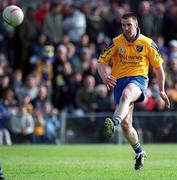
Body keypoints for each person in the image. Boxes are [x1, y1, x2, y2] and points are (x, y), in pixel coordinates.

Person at [97, 12, 170, 170]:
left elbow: (158, 69)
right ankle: (139, 152)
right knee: (126, 124)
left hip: (138, 80)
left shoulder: (147, 43)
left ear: (136, 25)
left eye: (129, 24)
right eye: (123, 25)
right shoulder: (116, 42)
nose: (126, 28)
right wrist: (104, 77)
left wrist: (162, 90)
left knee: (127, 95)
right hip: (119, 82)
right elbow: (101, 61)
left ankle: (114, 123)